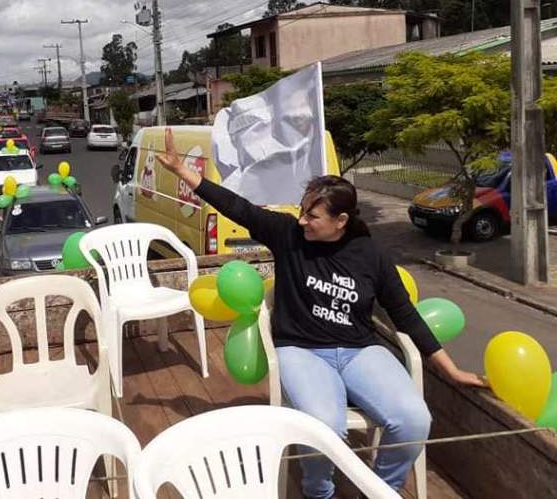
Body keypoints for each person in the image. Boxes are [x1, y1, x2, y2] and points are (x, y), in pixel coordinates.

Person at [156, 127, 485, 499]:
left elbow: (405, 315)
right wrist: (187, 175)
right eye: (302, 211)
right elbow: (239, 208)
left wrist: (451, 369)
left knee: (414, 421)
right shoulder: (288, 234)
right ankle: (319, 492)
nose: (301, 221)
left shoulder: (370, 254)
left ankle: (380, 490)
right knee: (323, 425)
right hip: (301, 350)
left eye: (312, 216)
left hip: (360, 350)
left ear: (340, 221)